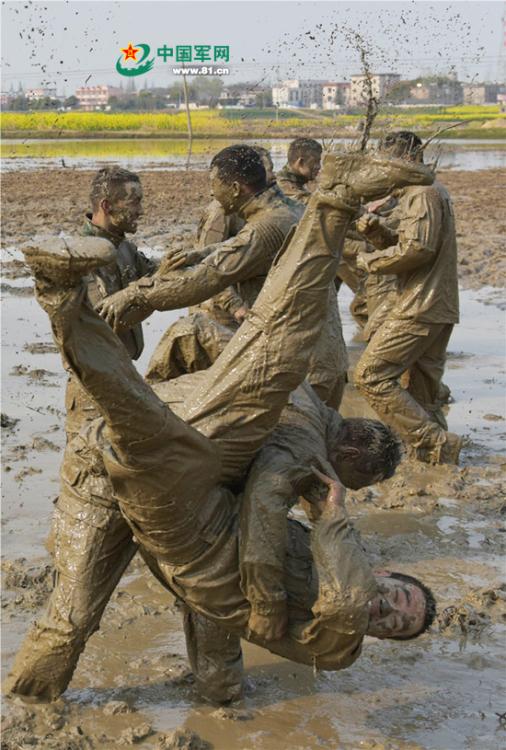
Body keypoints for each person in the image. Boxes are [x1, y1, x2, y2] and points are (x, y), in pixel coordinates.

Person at [6, 149, 436, 702]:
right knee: (73, 613)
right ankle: (34, 703)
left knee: (235, 372)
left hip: (180, 489)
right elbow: (266, 511)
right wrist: (325, 521)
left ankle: (219, 691)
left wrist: (169, 384)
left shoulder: (300, 429)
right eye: (397, 600)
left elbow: (200, 333)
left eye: (395, 623)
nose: (387, 611)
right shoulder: (306, 456)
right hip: (128, 478)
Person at [353, 132, 461, 464]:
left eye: (389, 163)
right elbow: (413, 245)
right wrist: (378, 234)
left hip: (420, 304)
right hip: (437, 304)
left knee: (370, 375)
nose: (385, 171)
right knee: (423, 391)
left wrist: (371, 261)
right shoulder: (429, 191)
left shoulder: (422, 193)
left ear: (408, 160)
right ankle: (433, 460)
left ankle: (435, 441)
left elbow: (418, 250)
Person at [65, 166, 156, 440]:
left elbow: (158, 276)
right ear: (107, 206)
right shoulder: (82, 256)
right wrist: (144, 295)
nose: (140, 210)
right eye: (134, 202)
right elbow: (103, 322)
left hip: (122, 373)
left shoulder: (124, 248)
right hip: (92, 386)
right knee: (88, 455)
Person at [276, 137, 323, 204]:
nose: (319, 166)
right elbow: (314, 204)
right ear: (301, 162)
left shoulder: (296, 180)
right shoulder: (283, 185)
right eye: (315, 162)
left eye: (319, 162)